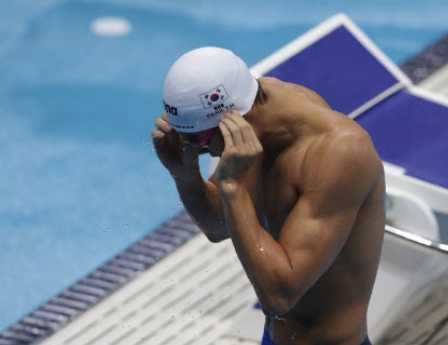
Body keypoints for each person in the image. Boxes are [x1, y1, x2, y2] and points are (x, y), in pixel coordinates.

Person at [152, 47, 385, 345]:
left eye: (201, 140)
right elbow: (217, 225)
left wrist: (233, 187)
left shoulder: (340, 153)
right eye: (189, 140)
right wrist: (184, 174)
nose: (202, 151)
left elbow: (279, 297)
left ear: (235, 117)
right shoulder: (256, 118)